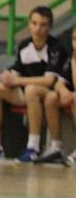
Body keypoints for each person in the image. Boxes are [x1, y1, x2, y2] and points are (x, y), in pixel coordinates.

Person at [0, 6, 68, 163]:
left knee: (31, 89)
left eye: (43, 25)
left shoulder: (56, 47)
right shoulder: (24, 46)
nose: (38, 29)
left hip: (50, 94)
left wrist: (17, 81)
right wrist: (8, 77)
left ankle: (33, 147)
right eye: (34, 23)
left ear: (49, 27)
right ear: (29, 24)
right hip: (27, 93)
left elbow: (49, 80)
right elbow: (17, 70)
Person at [42, 28, 76, 165]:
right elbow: (58, 82)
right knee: (51, 98)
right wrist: (64, 91)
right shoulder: (70, 58)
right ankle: (55, 146)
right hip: (72, 95)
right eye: (74, 39)